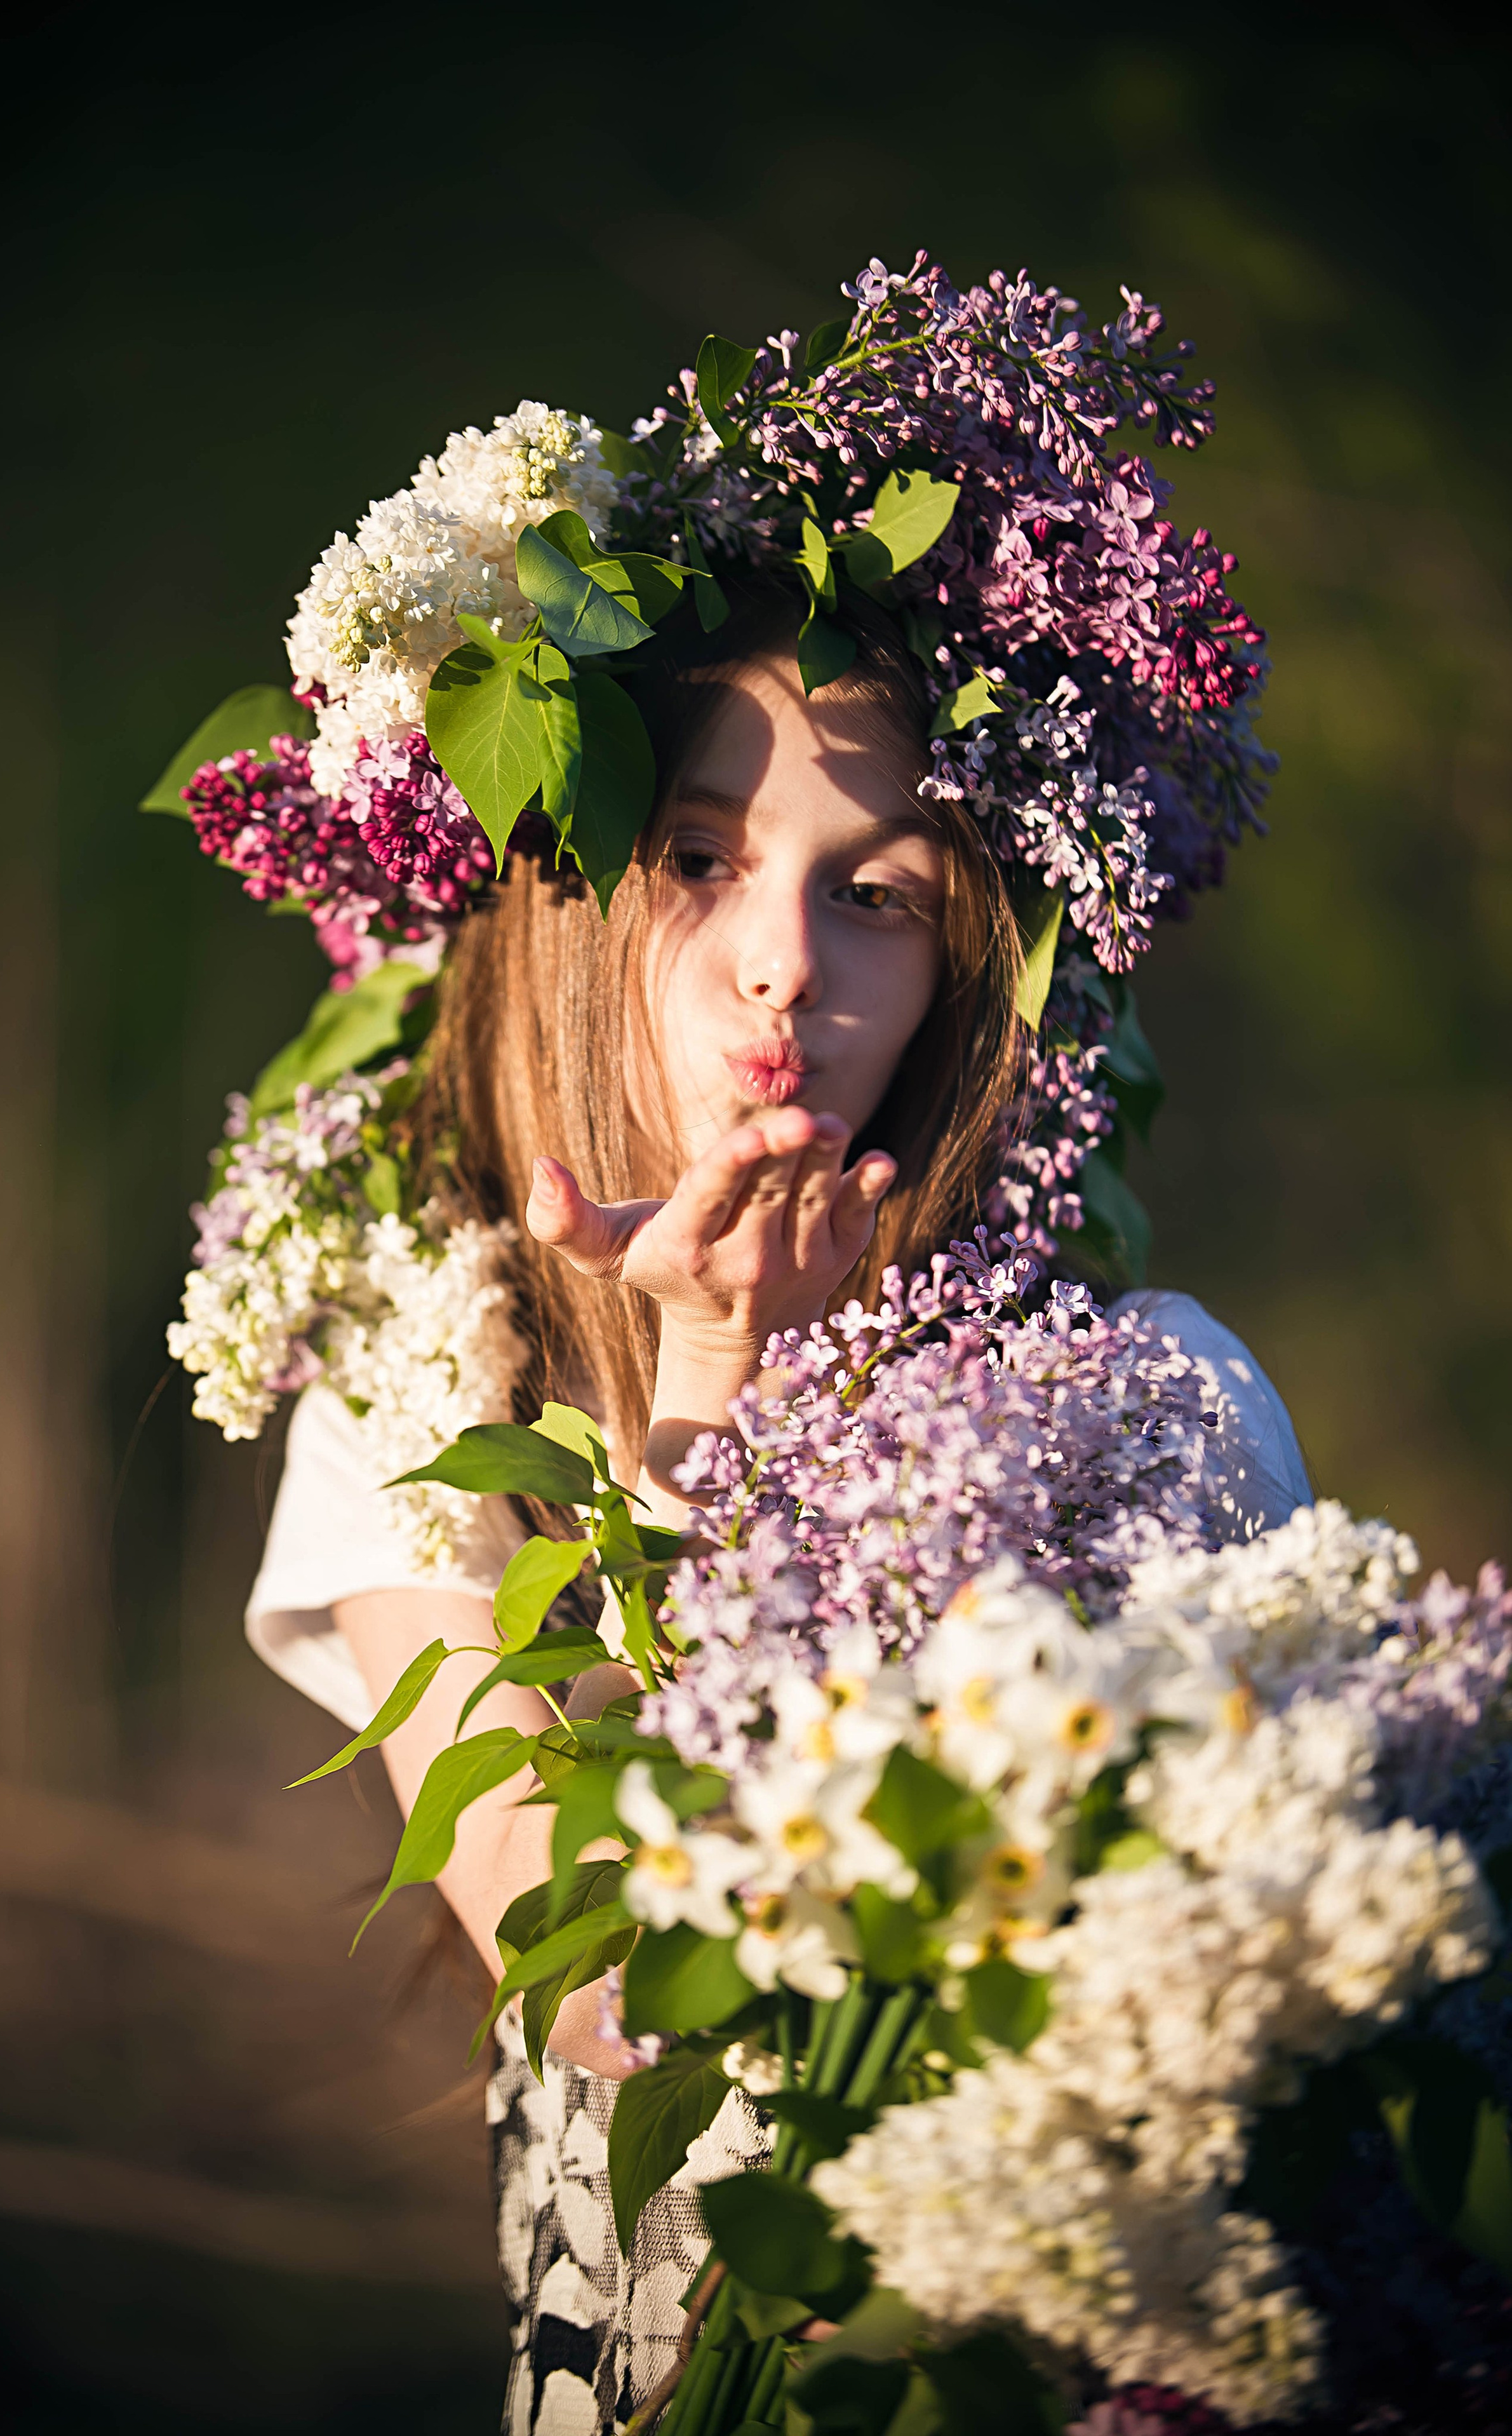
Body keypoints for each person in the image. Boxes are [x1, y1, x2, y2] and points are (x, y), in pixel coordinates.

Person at [241, 584, 1313, 2434]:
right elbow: (604, 1974)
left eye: (874, 892)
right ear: (563, 889)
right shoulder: (423, 1398)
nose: (782, 959)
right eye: (698, 854)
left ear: (962, 970)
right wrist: (710, 1397)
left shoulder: (1157, 1400)